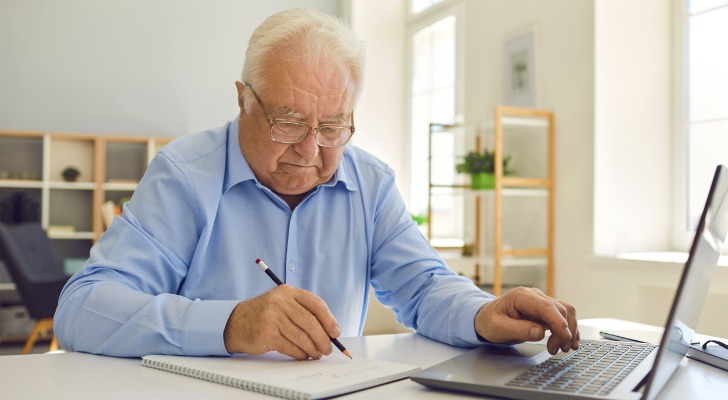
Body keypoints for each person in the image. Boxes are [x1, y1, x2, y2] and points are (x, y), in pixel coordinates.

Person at [54, 8, 579, 359]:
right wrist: (230, 324)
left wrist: (484, 313)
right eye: (287, 122)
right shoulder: (185, 175)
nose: (310, 150)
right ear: (242, 99)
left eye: (332, 127)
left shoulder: (370, 182)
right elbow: (82, 310)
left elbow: (424, 287)